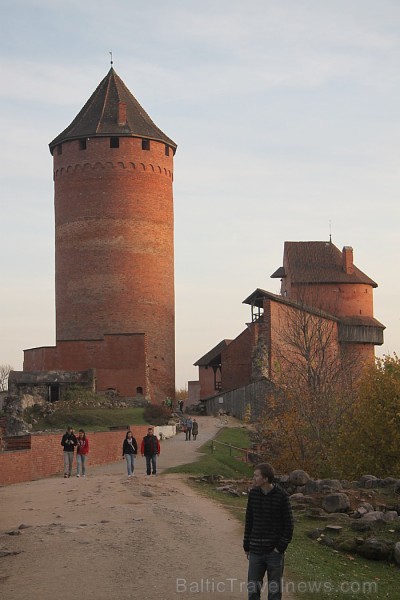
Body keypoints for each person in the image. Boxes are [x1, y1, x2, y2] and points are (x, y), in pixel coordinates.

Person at [243, 463, 294, 600]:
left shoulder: (282, 496)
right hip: (255, 551)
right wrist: (247, 545)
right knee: (253, 590)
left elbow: (289, 525)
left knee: (274, 593)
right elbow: (249, 520)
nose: (253, 478)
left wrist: (279, 548)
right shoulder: (253, 494)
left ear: (265, 478)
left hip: (274, 553)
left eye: (256, 476)